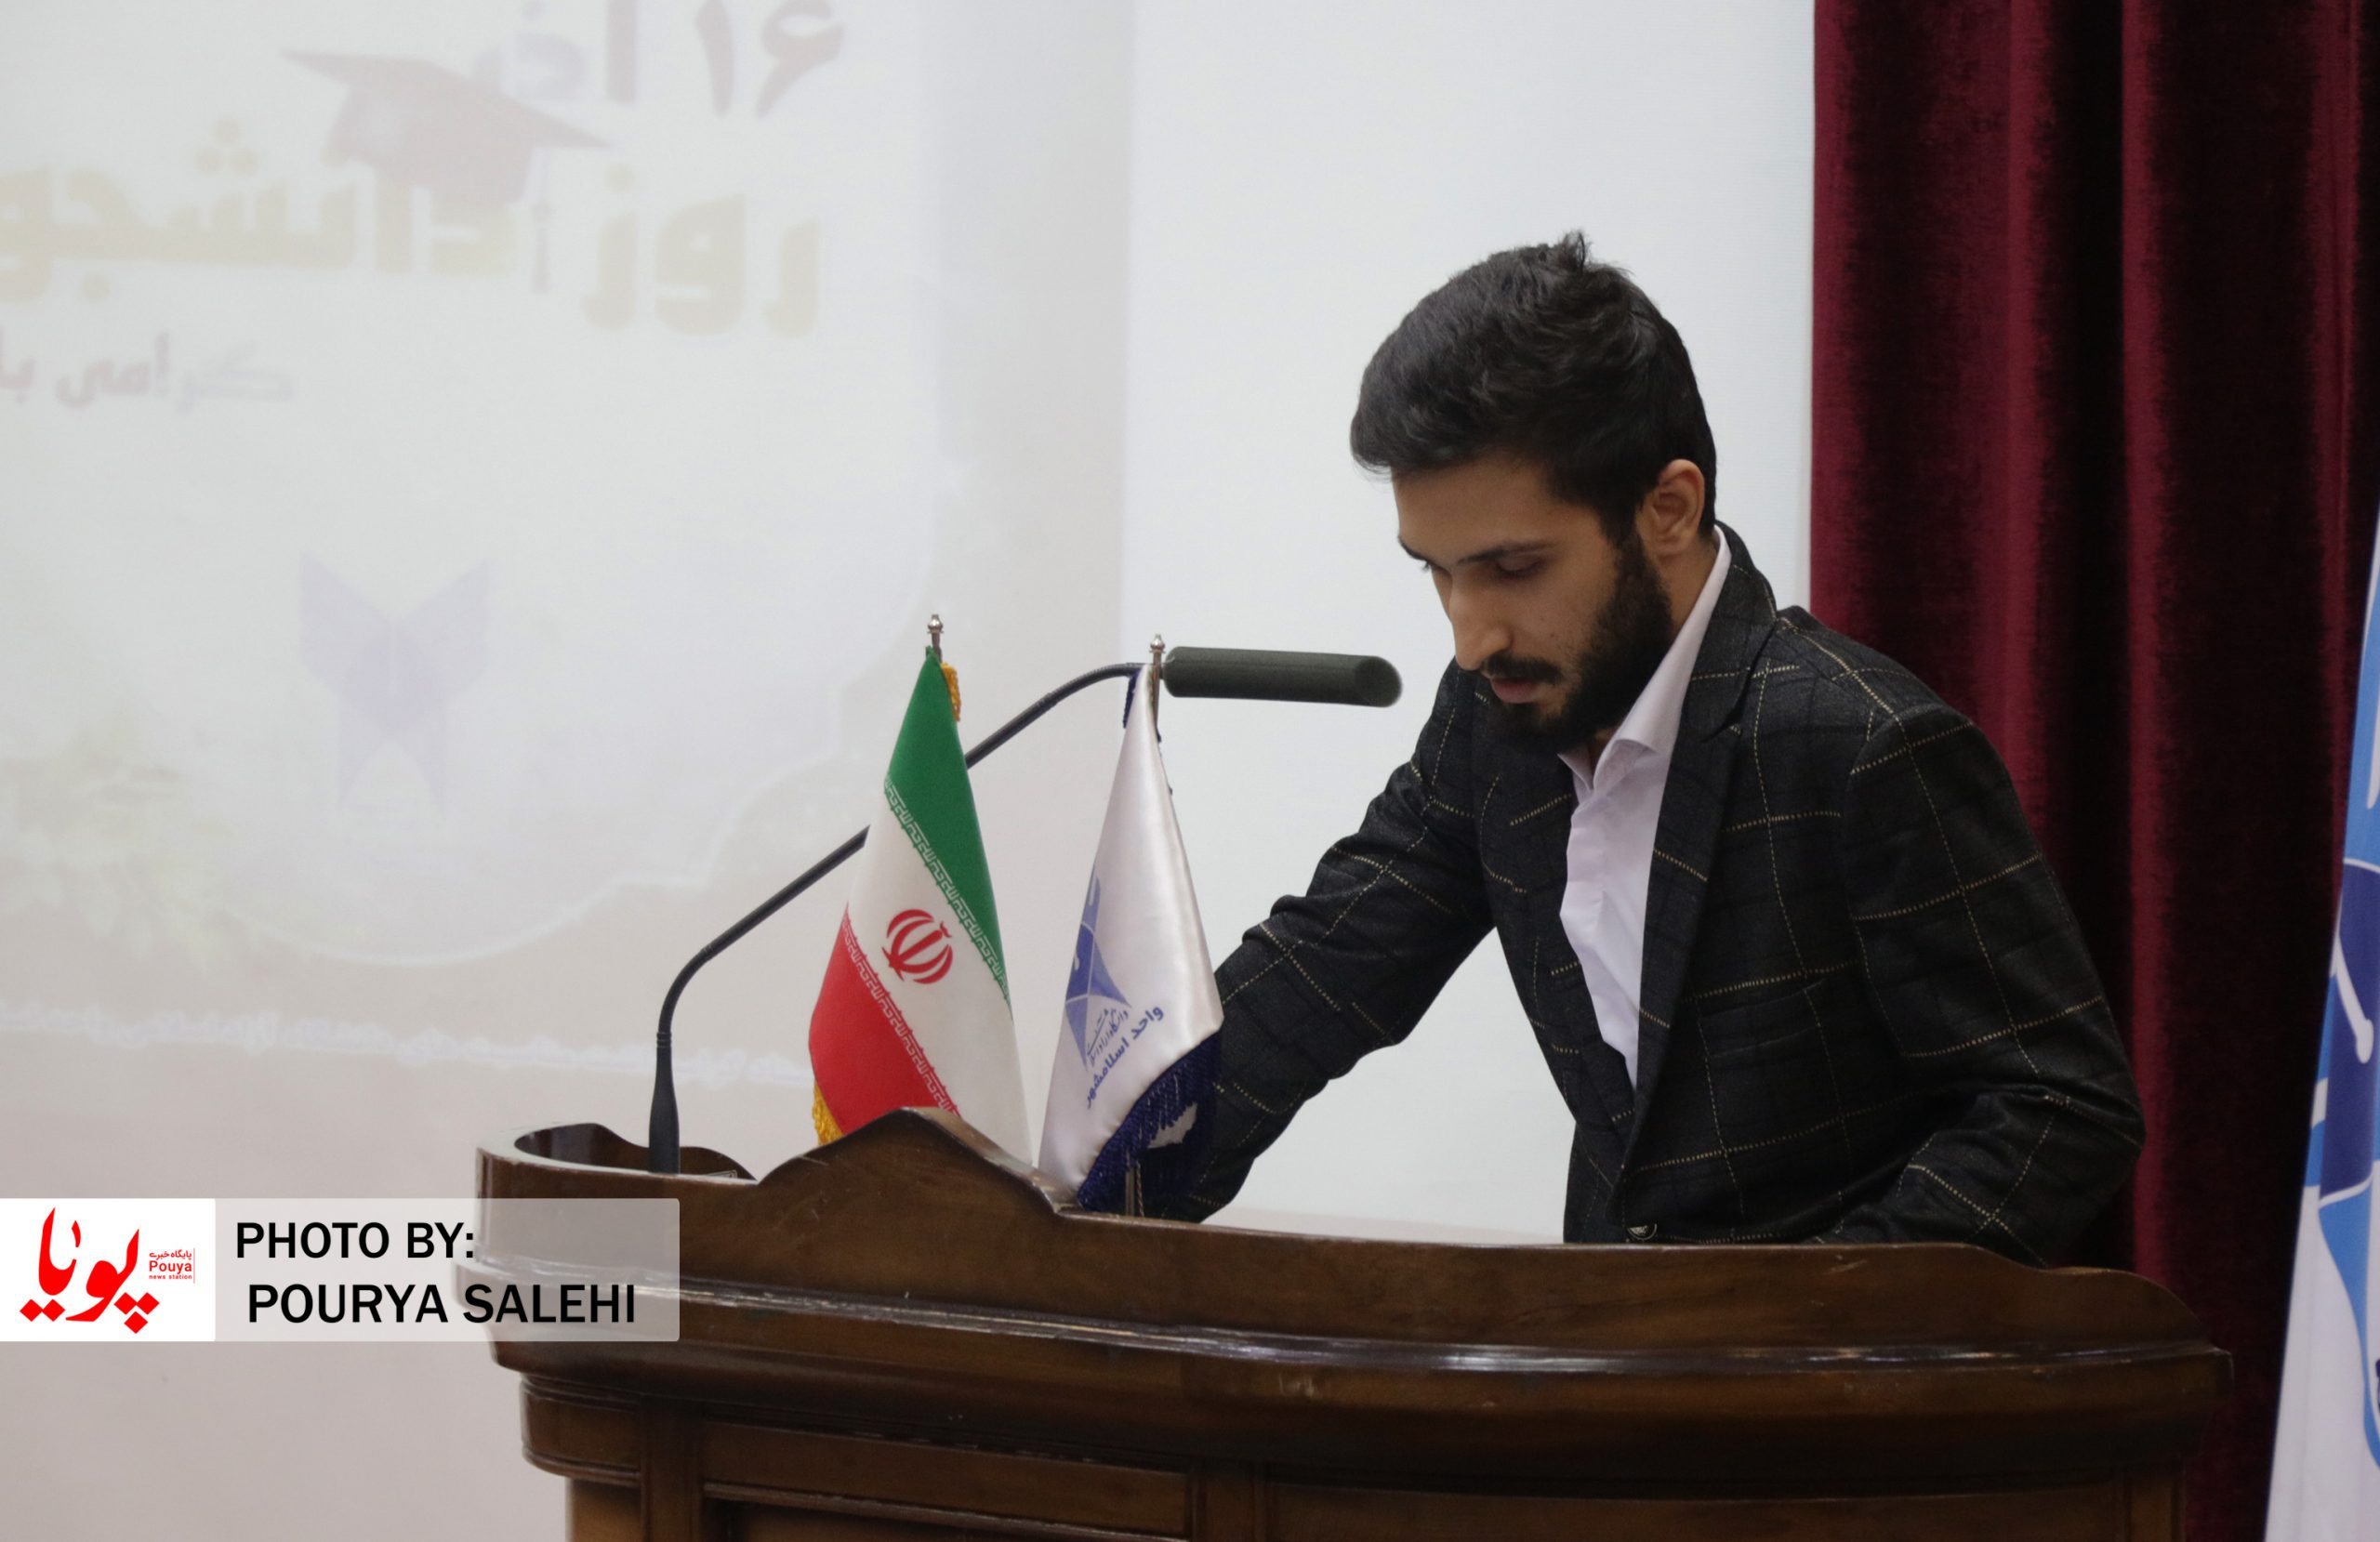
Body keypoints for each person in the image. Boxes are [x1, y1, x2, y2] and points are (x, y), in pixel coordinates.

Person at [1130, 233, 2144, 1263]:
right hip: (1608, 1341)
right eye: (1435, 572)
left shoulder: (1861, 746)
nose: (1470, 636)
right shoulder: (1493, 715)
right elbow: (1324, 968)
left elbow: (2058, 1108)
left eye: (1513, 569)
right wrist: (1098, 1198)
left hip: (1820, 1357)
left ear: (1668, 508)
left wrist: (1797, 1327)